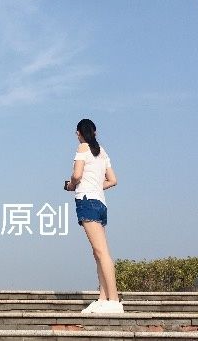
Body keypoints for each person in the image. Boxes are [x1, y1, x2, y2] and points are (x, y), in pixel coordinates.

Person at [64, 118, 123, 314]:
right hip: (100, 202)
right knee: (98, 252)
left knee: (101, 252)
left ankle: (114, 300)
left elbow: (77, 175)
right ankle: (103, 298)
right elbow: (112, 180)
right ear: (95, 132)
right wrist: (96, 185)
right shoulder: (102, 151)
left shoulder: (82, 148)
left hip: (87, 201)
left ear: (78, 133)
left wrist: (71, 185)